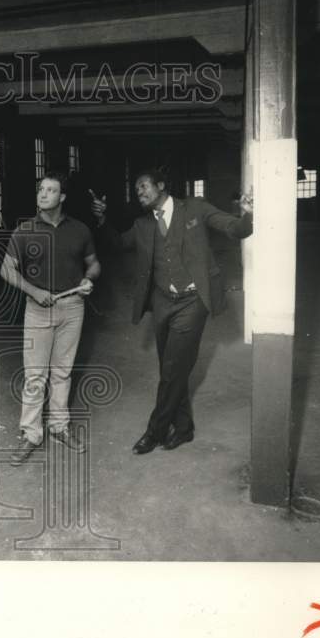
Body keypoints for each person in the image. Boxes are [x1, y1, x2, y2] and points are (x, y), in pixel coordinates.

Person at [90, 166, 253, 454]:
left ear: (162, 185)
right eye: (137, 188)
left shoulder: (195, 208)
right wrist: (102, 219)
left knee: (172, 370)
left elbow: (236, 229)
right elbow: (116, 243)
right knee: (172, 369)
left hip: (193, 301)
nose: (139, 192)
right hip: (163, 302)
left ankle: (155, 431)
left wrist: (248, 213)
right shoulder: (143, 226)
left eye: (144, 186)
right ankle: (185, 427)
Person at [1, 171, 101, 466]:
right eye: (40, 190)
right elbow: (6, 269)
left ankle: (59, 427)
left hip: (73, 307)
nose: (42, 195)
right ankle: (31, 434)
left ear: (63, 197)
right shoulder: (25, 230)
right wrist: (33, 290)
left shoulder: (80, 230)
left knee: (62, 372)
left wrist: (88, 279)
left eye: (50, 190)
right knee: (35, 376)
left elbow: (94, 263)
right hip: (38, 308)